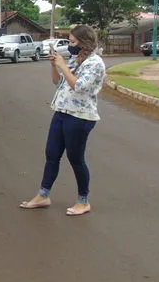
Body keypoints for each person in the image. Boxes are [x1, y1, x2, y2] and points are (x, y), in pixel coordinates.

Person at [19, 25, 106, 216]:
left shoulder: (95, 63)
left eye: (73, 42)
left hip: (80, 117)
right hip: (61, 111)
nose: (70, 45)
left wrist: (63, 65)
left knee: (76, 159)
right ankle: (43, 195)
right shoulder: (76, 59)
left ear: (85, 42)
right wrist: (54, 65)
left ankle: (83, 201)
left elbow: (79, 86)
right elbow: (58, 82)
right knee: (51, 154)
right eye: (69, 41)